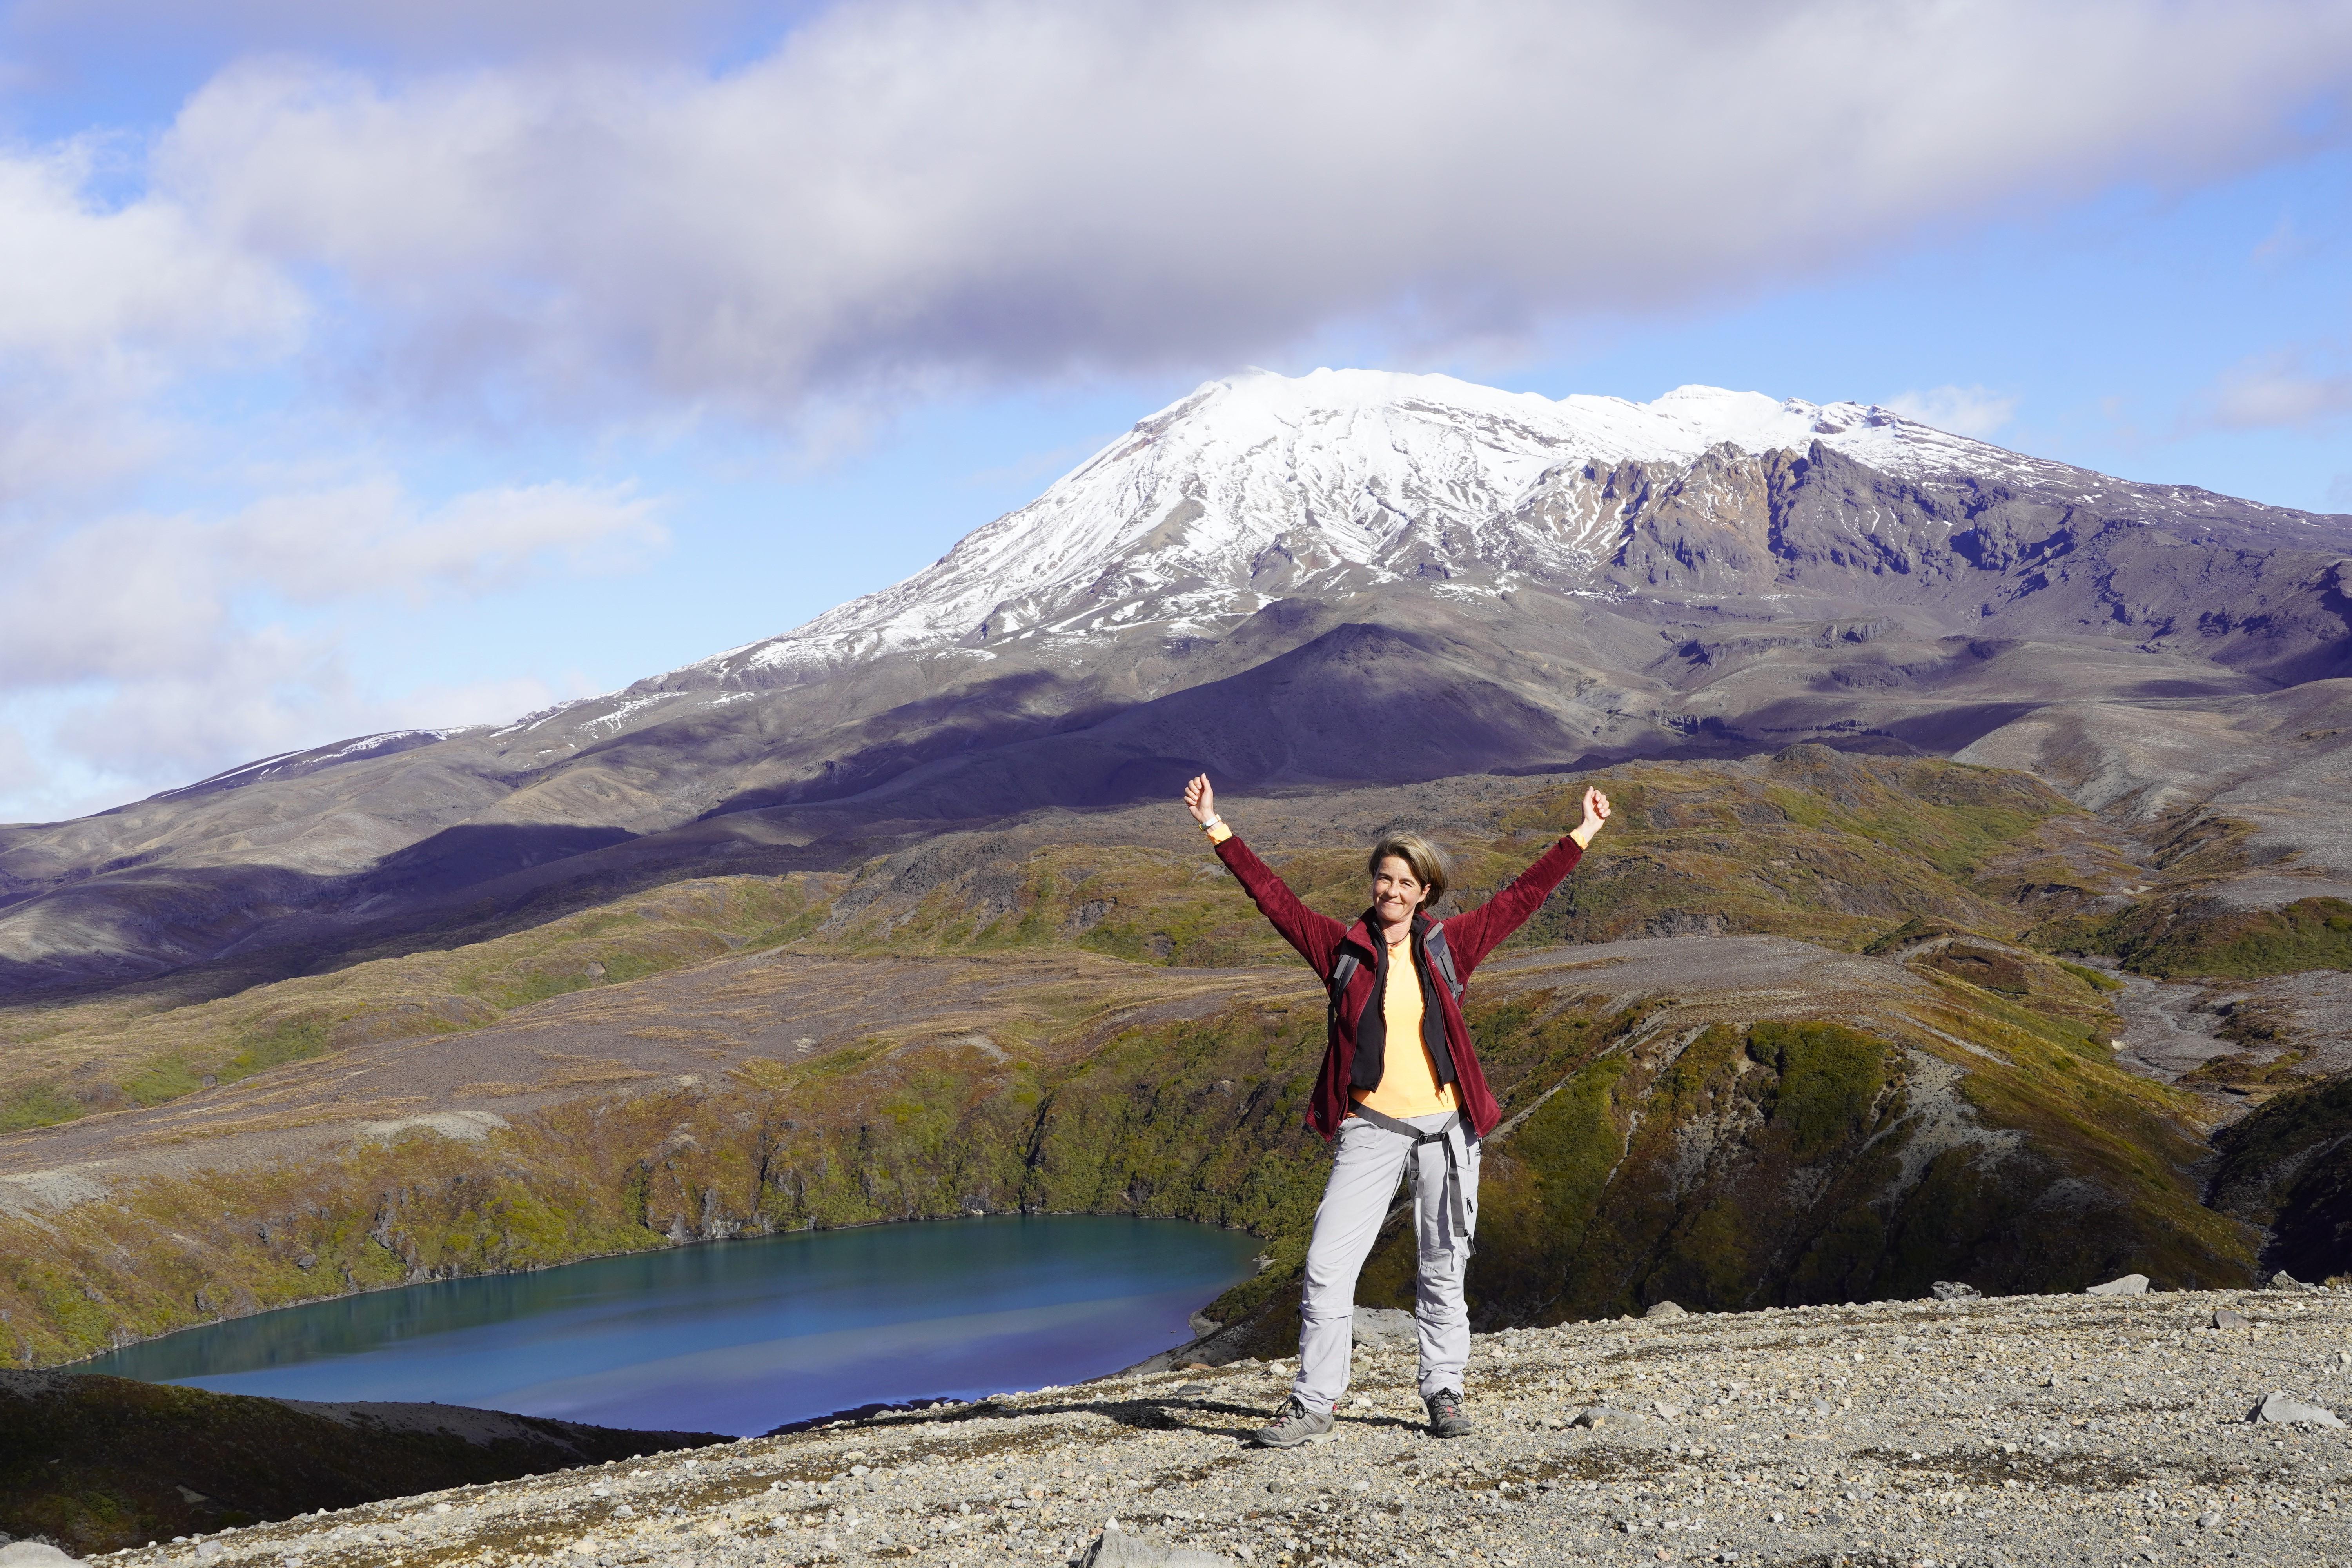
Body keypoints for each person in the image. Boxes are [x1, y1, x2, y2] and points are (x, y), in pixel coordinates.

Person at [1181, 772, 1611, 1446]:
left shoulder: (1452, 945)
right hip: (1371, 1129)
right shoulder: (1340, 949)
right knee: (1326, 1266)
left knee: (1443, 1267)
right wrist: (1217, 827)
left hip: (1447, 1130)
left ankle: (1444, 1393)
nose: (1391, 892)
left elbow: (1523, 897)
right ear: (1373, 883)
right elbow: (1275, 900)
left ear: (1426, 893)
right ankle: (1314, 1403)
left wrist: (1582, 832)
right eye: (1384, 879)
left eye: (1406, 883)